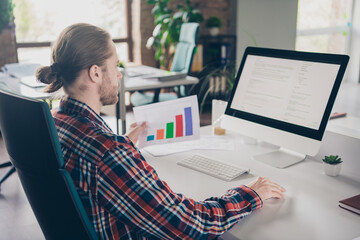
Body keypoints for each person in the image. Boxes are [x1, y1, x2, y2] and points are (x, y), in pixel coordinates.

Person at [37, 23, 286, 240]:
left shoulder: (56, 123)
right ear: (95, 73)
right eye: (115, 66)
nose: (119, 74)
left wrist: (123, 145)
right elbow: (192, 226)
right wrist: (250, 194)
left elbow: (92, 169)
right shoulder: (107, 153)